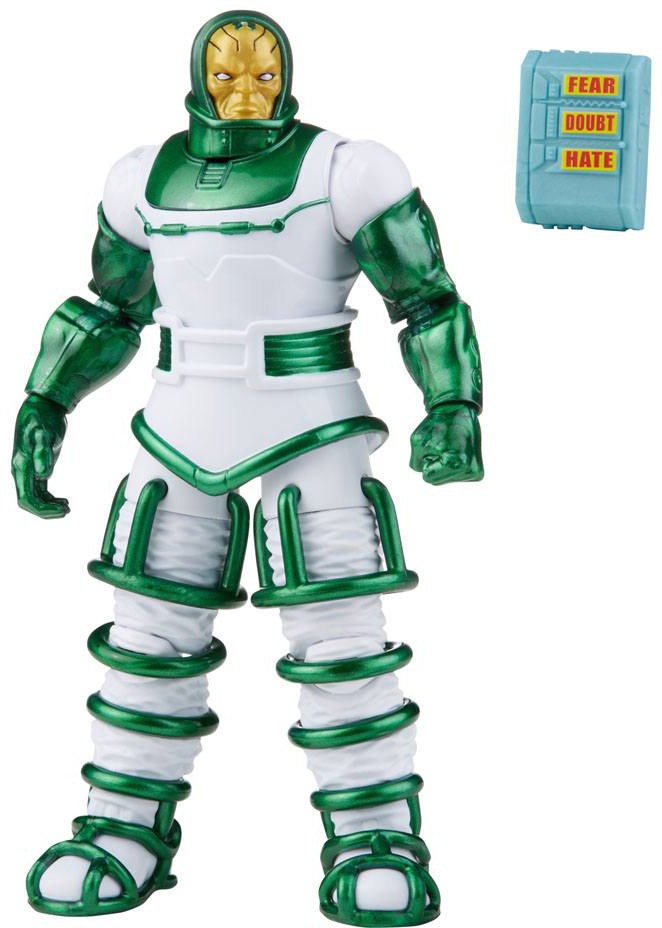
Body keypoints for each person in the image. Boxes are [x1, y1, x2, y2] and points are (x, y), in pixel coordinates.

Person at [12, 10, 483, 926]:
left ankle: (375, 835)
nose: (243, 89)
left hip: (312, 421)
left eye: (260, 73)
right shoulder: (140, 179)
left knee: (339, 635)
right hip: (178, 424)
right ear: (198, 76)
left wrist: (453, 405)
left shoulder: (348, 170)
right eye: (226, 73)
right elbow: (111, 305)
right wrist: (46, 400)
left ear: (285, 77)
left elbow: (426, 300)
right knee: (149, 635)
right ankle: (122, 825)